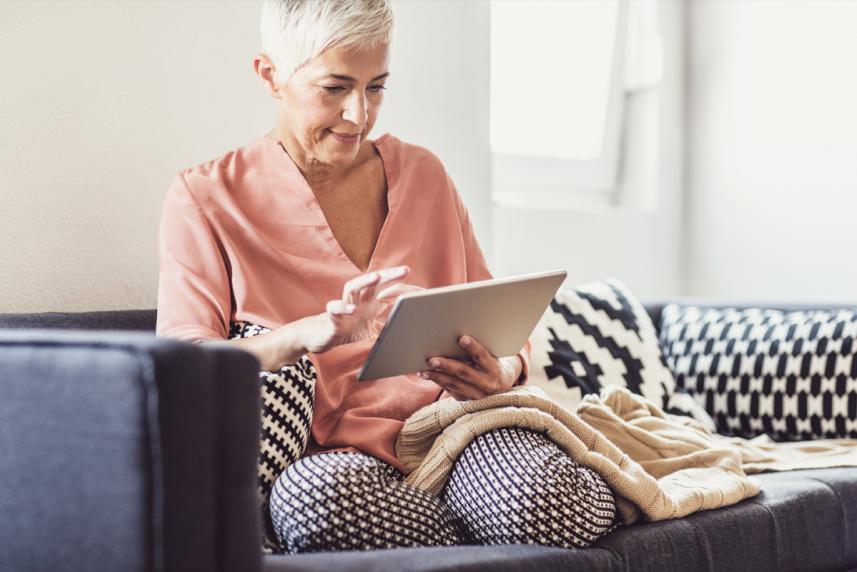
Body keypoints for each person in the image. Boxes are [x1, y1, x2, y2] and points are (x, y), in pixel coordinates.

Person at [156, 0, 616, 554]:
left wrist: (503, 370)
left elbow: (504, 329)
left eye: (376, 88)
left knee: (558, 506)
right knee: (311, 501)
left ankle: (486, 521)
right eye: (335, 88)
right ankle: (479, 534)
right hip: (342, 464)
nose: (359, 115)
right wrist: (305, 335)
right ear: (270, 76)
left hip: (457, 430)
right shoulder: (206, 198)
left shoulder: (424, 174)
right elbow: (181, 363)